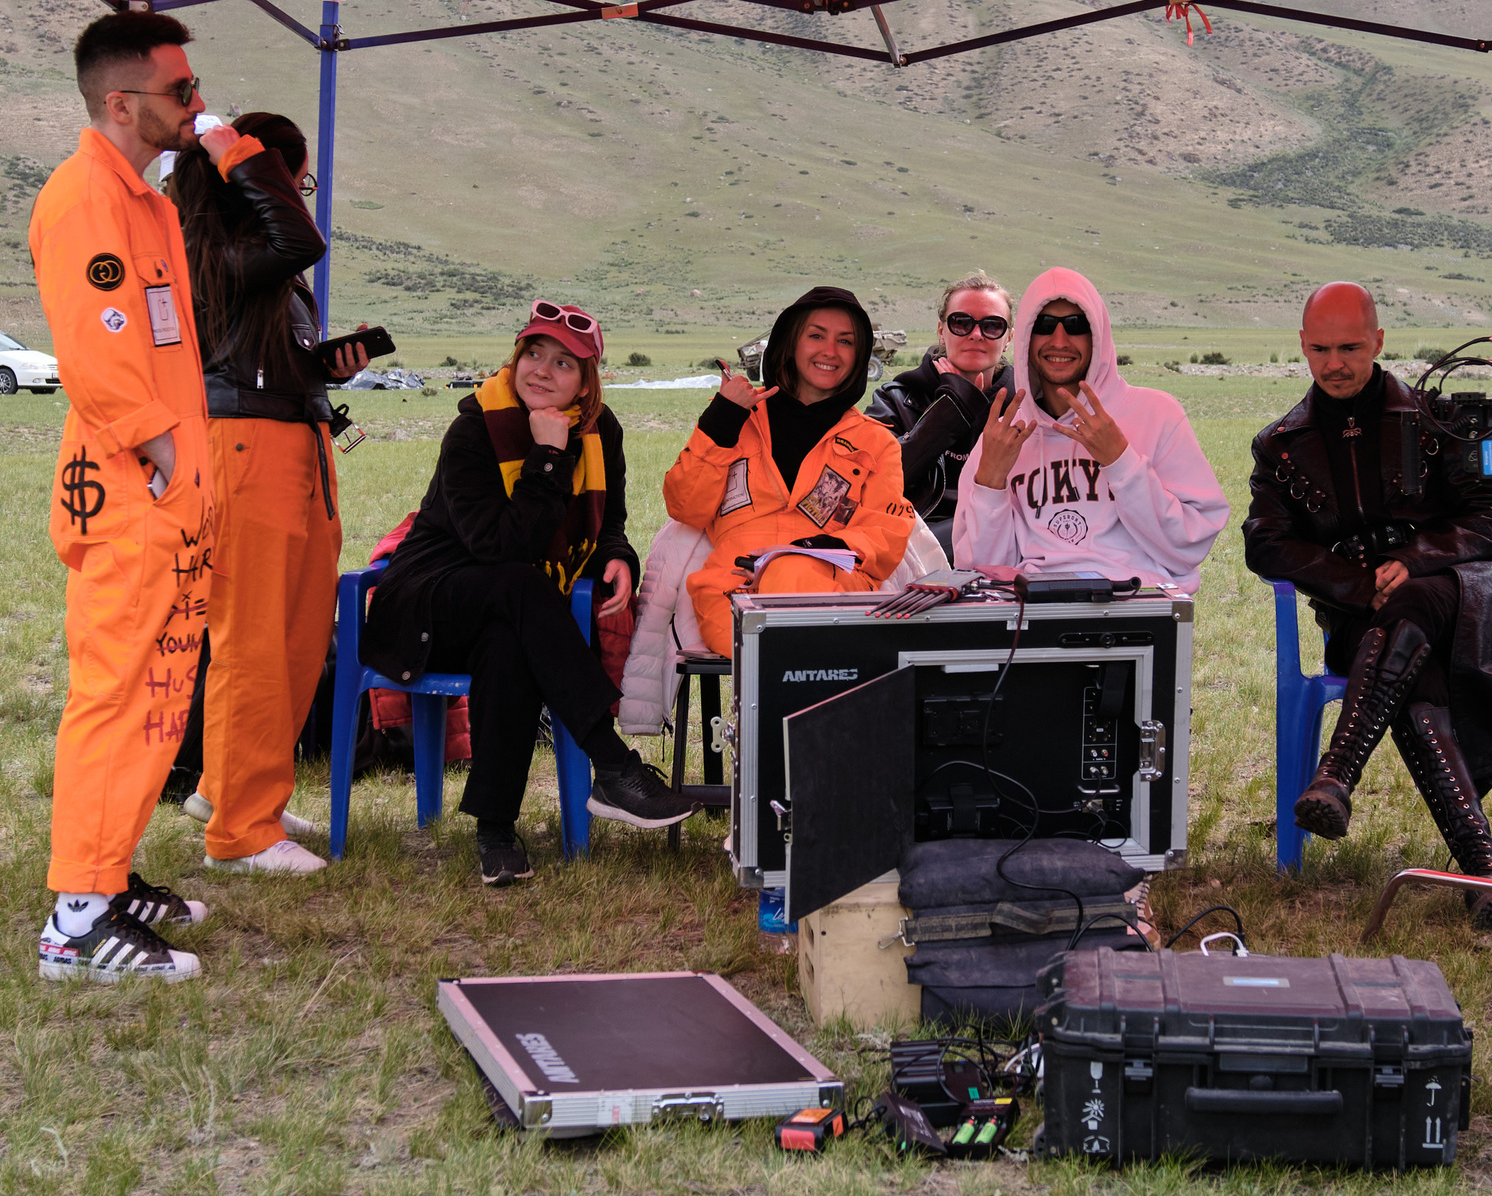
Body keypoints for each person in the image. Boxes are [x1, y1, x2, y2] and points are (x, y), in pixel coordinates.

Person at [32, 11, 235, 983]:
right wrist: (162, 456)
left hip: (170, 492)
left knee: (158, 693)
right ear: (122, 101)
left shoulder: (146, 201)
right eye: (181, 90)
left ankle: (106, 874)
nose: (196, 105)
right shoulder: (83, 200)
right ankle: (76, 918)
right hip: (129, 494)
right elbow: (98, 355)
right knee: (115, 693)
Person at [360, 302, 696, 886]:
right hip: (428, 606)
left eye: (563, 363)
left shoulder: (600, 431)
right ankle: (614, 765)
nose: (541, 370)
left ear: (587, 382)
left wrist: (617, 555)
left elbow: (608, 520)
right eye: (533, 353)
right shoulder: (475, 428)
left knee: (509, 641)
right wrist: (545, 456)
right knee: (521, 584)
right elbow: (497, 549)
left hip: (511, 612)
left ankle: (495, 833)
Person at [1242, 282, 1492, 907]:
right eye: (1320, 349)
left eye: (1348, 346)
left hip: (1461, 612)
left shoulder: (1434, 419)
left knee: (1415, 602)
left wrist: (1415, 559)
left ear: (1378, 341)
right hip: (1360, 625)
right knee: (1407, 669)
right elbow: (1265, 544)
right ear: (1302, 346)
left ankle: (1338, 771)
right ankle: (1482, 867)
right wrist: (1357, 584)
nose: (1334, 363)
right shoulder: (1279, 445)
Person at [167, 111, 369, 877]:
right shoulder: (207, 245)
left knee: (294, 633)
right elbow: (304, 240)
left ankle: (236, 790)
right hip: (247, 447)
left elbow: (263, 348)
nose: (301, 196)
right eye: (299, 179)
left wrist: (322, 368)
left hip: (293, 440)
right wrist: (243, 158)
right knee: (253, 637)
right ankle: (240, 831)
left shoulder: (250, 257)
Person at [664, 286, 914, 657]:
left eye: (845, 341)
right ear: (789, 343)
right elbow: (685, 507)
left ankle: (786, 705)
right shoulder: (737, 419)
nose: (830, 351)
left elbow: (886, 532)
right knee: (792, 649)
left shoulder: (874, 442)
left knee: (790, 585)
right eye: (816, 336)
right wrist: (720, 421)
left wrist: (803, 554)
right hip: (733, 593)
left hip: (831, 587)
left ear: (859, 356)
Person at [954, 268, 1229, 590]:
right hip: (1032, 611)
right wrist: (990, 482)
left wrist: (1121, 462)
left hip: (1135, 601)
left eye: (1076, 325)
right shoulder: (1005, 437)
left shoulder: (1156, 414)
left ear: (1098, 334)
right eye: (1044, 326)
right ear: (1026, 339)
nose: (1060, 341)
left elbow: (1188, 547)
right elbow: (985, 571)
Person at [867, 273, 1016, 556]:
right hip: (913, 542)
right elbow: (875, 483)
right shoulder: (896, 399)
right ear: (941, 330)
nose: (976, 334)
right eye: (961, 323)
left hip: (1003, 540)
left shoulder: (1023, 407)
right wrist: (949, 409)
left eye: (992, 326)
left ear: (1008, 338)